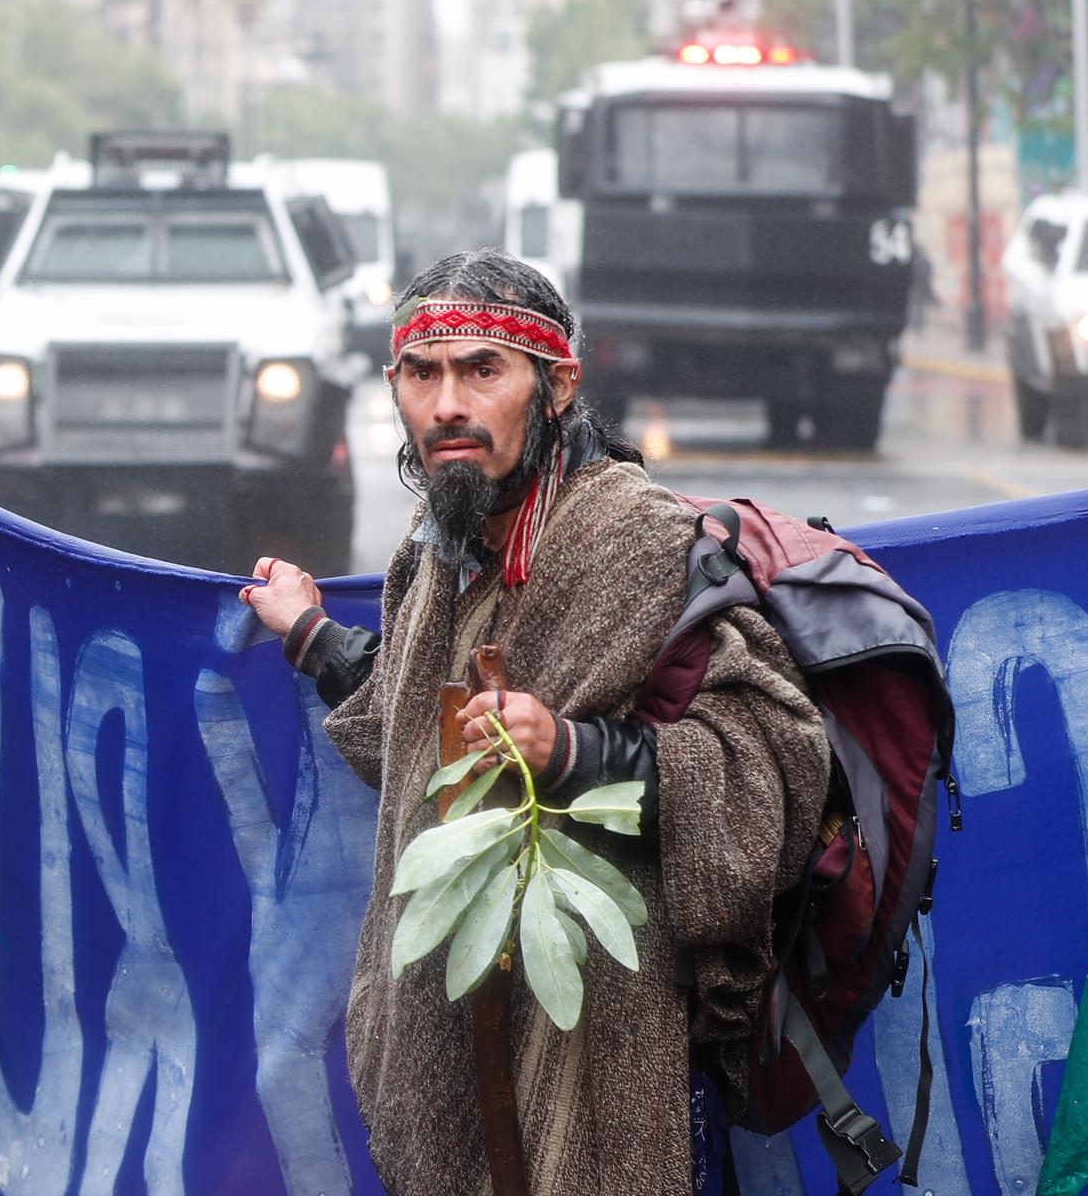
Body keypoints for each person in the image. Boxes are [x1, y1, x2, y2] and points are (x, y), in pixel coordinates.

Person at [240, 248, 830, 1193]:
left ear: (557, 386)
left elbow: (770, 766)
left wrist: (576, 752)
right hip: (451, 1041)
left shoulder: (639, 542)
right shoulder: (438, 553)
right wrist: (311, 634)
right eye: (422, 375)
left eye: (483, 371)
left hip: (607, 1052)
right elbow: (416, 733)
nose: (447, 408)